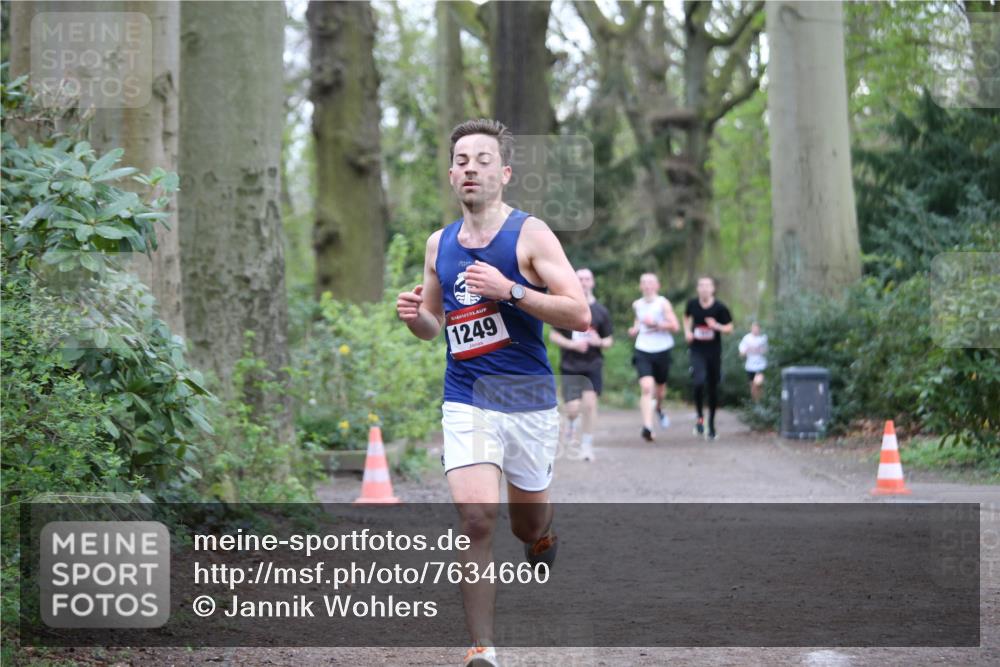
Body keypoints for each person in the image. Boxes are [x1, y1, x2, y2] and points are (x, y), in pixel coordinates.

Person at [395, 118, 590, 667]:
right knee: (477, 518)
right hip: (467, 396)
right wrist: (415, 319)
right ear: (451, 175)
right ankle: (483, 649)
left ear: (503, 173)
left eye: (483, 160)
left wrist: (511, 291)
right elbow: (435, 323)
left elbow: (578, 314)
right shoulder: (439, 244)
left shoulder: (530, 234)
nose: (471, 169)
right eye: (461, 161)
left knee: (526, 524)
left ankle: (542, 535)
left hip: (526, 400)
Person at [549, 268, 614, 462]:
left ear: (592, 282)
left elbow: (609, 340)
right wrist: (572, 345)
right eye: (580, 279)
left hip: (593, 364)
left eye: (587, 279)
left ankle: (586, 445)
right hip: (570, 365)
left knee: (590, 405)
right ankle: (571, 422)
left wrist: (599, 342)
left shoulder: (601, 311)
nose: (584, 282)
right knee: (573, 408)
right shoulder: (567, 307)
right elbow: (553, 335)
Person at [627, 273, 680, 442]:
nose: (647, 286)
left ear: (657, 286)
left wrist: (656, 324)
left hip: (662, 349)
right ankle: (648, 427)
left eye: (651, 283)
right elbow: (638, 321)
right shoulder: (637, 304)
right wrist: (634, 329)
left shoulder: (663, 303)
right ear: (640, 286)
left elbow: (675, 326)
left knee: (660, 389)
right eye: (644, 283)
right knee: (646, 387)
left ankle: (658, 407)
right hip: (643, 348)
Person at [683, 276, 733, 440]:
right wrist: (687, 332)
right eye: (701, 285)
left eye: (707, 286)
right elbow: (686, 317)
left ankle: (711, 424)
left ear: (713, 289)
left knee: (712, 387)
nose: (704, 288)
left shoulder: (720, 308)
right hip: (697, 350)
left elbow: (729, 328)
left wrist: (716, 326)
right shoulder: (692, 304)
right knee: (698, 382)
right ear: (698, 289)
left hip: (713, 352)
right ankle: (700, 418)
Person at [739, 321, 768, 403]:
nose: (756, 330)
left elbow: (766, 351)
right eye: (754, 328)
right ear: (751, 329)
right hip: (750, 366)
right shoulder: (746, 339)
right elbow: (741, 353)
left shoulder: (763, 338)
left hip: (761, 365)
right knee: (752, 386)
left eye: (757, 328)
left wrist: (760, 350)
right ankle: (756, 403)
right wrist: (747, 350)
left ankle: (760, 402)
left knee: (758, 384)